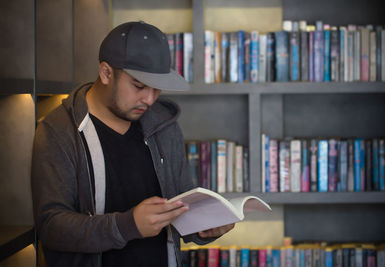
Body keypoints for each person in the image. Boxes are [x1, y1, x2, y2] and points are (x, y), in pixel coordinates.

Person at [31, 21, 234, 267]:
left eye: (156, 89)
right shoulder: (59, 132)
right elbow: (52, 228)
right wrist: (128, 225)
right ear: (106, 73)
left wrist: (202, 228)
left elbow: (180, 205)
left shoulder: (165, 126)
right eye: (138, 86)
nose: (149, 99)